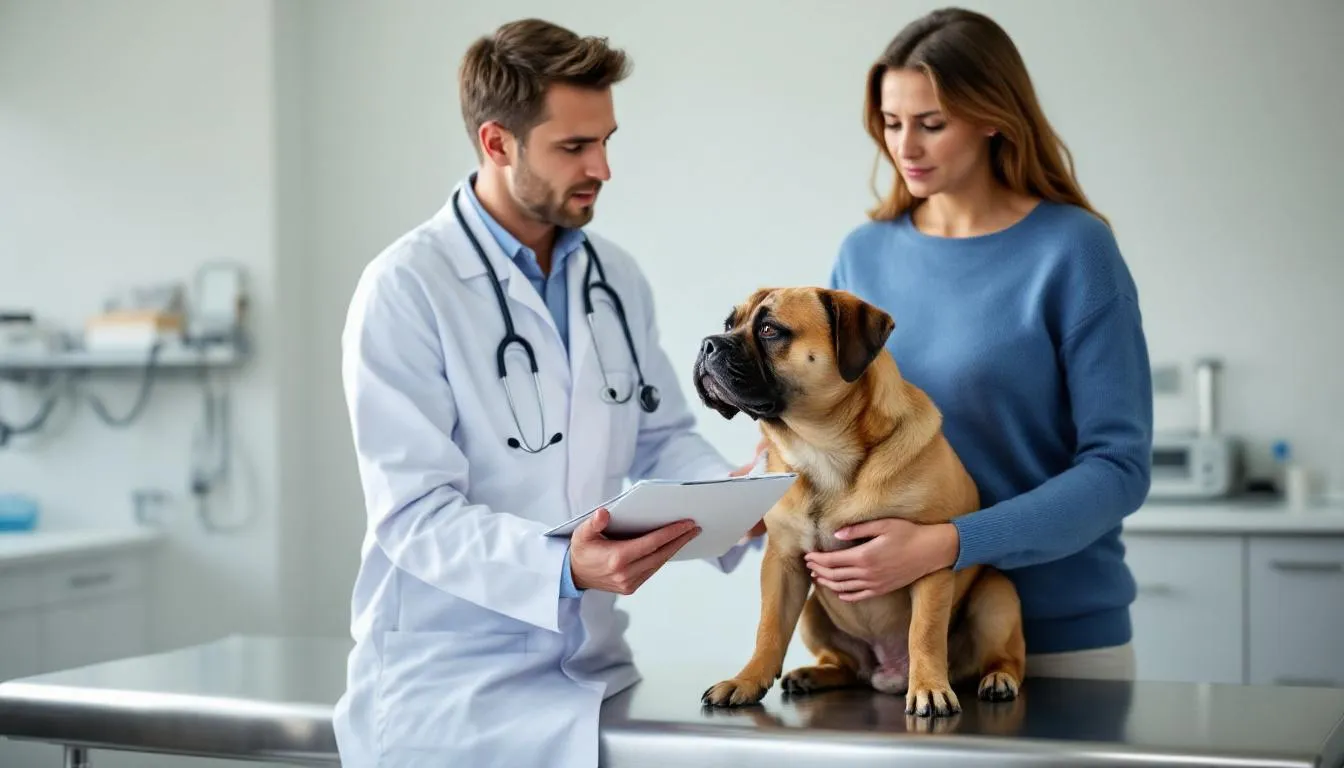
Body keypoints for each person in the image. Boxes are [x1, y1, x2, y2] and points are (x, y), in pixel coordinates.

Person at [331, 18, 763, 768]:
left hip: (593, 674)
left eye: (606, 140)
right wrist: (562, 566)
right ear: (497, 143)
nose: (602, 167)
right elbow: (414, 513)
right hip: (448, 689)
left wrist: (737, 500)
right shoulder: (405, 288)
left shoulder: (614, 278)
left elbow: (659, 439)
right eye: (574, 147)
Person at [804, 7, 1153, 681]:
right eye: (892, 122)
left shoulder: (1074, 251)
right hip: (898, 645)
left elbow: (1118, 468)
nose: (905, 147)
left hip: (1056, 641)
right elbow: (838, 429)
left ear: (995, 117)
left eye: (932, 125)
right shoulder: (864, 256)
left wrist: (950, 544)